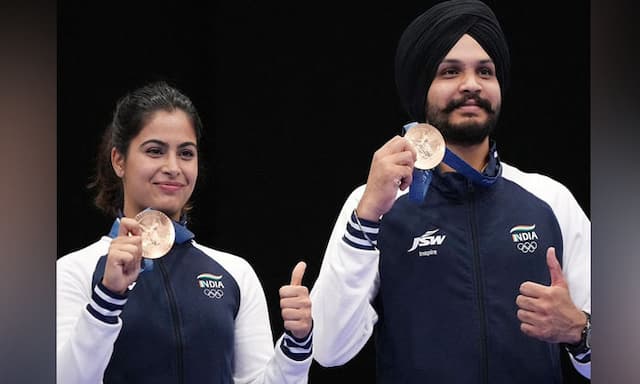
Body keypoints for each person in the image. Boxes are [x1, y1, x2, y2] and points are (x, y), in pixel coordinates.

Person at [309, 0, 590, 382]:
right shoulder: (376, 203)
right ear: (421, 88)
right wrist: (367, 216)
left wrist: (580, 332)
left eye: (485, 71)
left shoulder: (550, 200)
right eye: (450, 71)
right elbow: (329, 349)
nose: (471, 84)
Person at [57, 81, 313, 383]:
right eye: (155, 151)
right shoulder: (75, 271)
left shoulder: (235, 272)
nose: (173, 167)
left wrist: (297, 345)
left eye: (186, 153)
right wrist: (108, 298)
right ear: (119, 160)